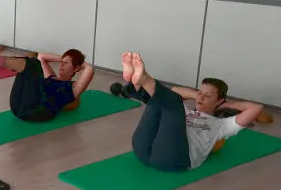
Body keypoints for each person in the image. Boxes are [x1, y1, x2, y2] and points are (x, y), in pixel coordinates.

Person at [113, 52, 264, 172]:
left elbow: (256, 109)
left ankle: (141, 81)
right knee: (161, 103)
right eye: (200, 92)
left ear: (219, 100)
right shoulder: (182, 111)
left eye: (207, 95)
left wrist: (228, 104)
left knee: (171, 102)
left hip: (174, 159)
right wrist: (196, 95)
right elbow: (175, 91)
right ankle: (136, 85)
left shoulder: (222, 125)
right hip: (143, 149)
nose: (201, 97)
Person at [0, 47, 95, 123]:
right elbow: (42, 56)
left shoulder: (73, 88)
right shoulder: (51, 76)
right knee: (33, 62)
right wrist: (65, 57)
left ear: (76, 68)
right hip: (18, 107)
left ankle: (1, 61)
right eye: (61, 62)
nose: (61, 65)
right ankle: (0, 60)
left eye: (66, 63)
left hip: (38, 111)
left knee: (34, 64)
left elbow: (89, 69)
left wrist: (78, 61)